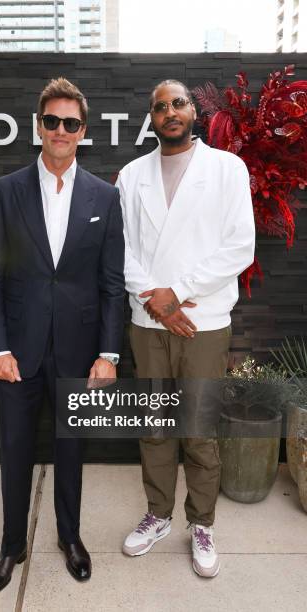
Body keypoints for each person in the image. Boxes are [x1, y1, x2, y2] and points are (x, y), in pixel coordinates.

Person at [0, 77, 125, 595]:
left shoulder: (105, 197)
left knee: (70, 451)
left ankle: (69, 537)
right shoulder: (6, 191)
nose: (61, 131)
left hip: (79, 353)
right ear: (38, 126)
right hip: (17, 351)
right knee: (14, 450)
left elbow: (111, 283)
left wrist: (108, 353)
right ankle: (11, 544)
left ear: (83, 132)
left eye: (71, 123)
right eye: (52, 121)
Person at [117, 79, 255, 578]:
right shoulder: (131, 176)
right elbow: (123, 249)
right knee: (155, 429)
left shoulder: (227, 169)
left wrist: (178, 292)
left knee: (197, 431)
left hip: (204, 322)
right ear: (151, 119)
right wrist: (158, 301)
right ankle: (158, 514)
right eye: (159, 106)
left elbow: (240, 246)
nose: (169, 111)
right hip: (147, 322)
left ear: (193, 110)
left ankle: (202, 522)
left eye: (178, 102)